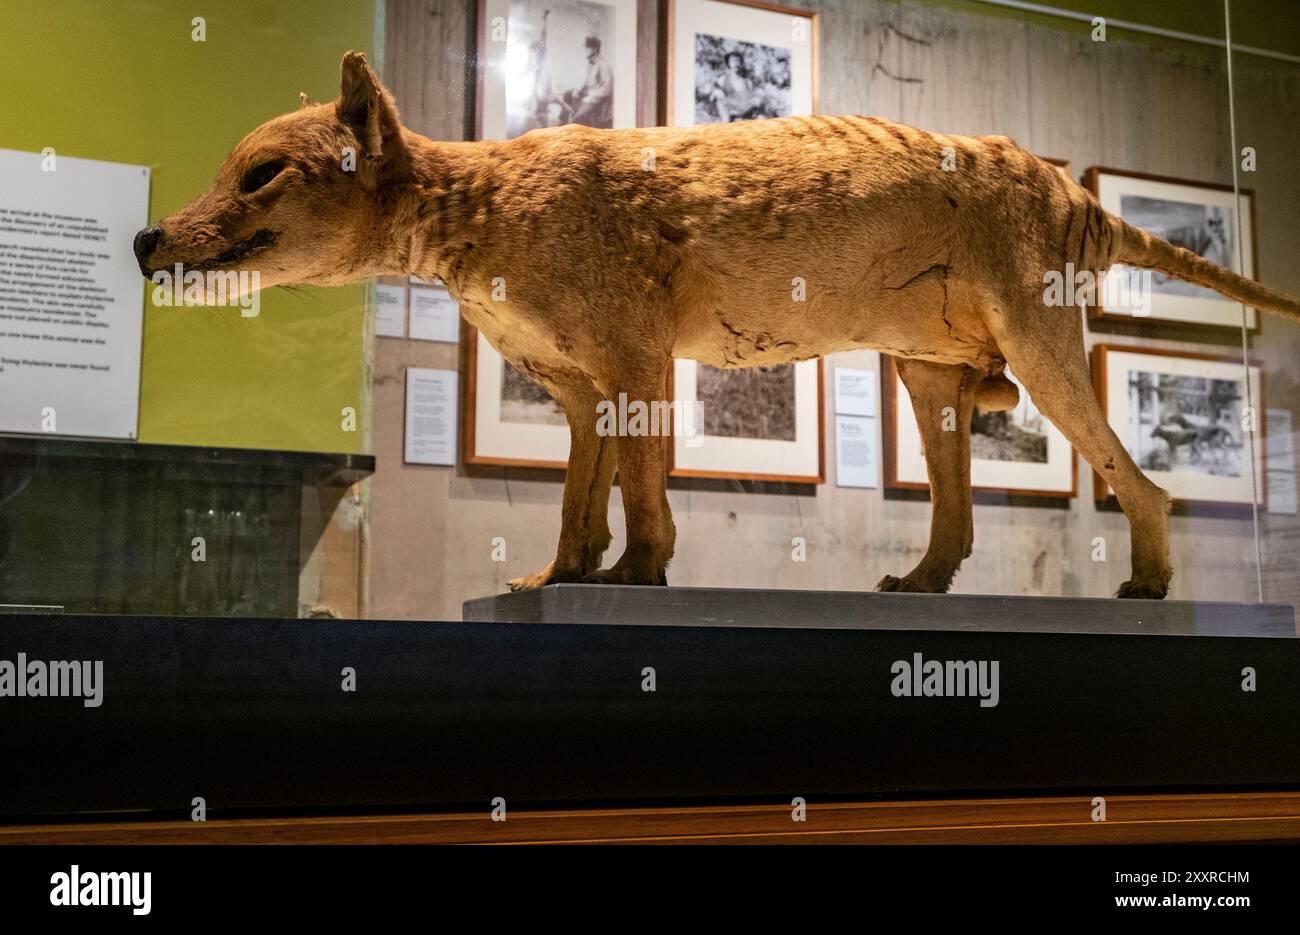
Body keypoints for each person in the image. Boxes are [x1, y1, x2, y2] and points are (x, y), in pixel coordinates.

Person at [562, 36, 614, 127]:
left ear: (594, 49)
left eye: (587, 48)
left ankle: (572, 127)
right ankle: (563, 122)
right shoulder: (590, 64)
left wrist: (591, 96)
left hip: (596, 98)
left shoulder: (604, 65)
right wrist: (579, 90)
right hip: (588, 94)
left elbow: (608, 88)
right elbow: (587, 82)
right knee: (567, 94)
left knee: (578, 117)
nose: (584, 51)